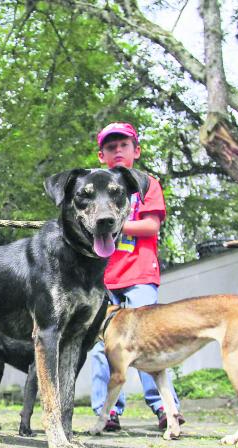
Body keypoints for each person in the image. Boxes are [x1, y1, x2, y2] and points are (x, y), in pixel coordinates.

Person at [89, 122, 184, 431]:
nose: (118, 151)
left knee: (150, 341)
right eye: (111, 147)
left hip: (140, 273)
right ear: (101, 155)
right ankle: (108, 411)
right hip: (103, 278)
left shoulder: (146, 184)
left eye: (124, 146)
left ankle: (164, 408)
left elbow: (151, 227)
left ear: (136, 151)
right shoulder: (95, 185)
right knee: (102, 347)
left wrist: (110, 223)